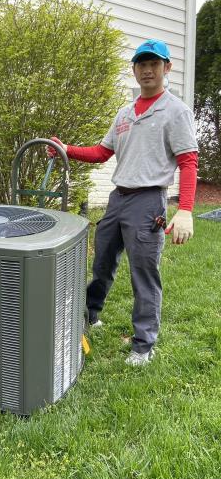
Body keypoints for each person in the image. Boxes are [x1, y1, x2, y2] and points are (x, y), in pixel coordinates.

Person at [48, 39, 198, 366]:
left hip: (148, 201)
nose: (147, 70)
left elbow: (188, 162)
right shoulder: (125, 114)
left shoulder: (176, 111)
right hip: (117, 199)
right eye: (142, 64)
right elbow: (102, 152)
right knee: (102, 263)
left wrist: (185, 209)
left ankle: (143, 345)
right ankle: (91, 315)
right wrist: (66, 149)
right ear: (134, 70)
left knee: (144, 274)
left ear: (167, 68)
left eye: (154, 64)